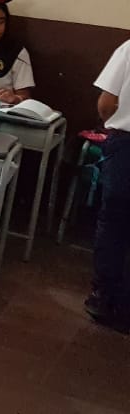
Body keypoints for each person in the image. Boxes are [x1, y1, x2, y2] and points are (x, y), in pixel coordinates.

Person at [88, 40, 130, 333]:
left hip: (125, 144)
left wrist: (112, 125)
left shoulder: (129, 48)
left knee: (115, 222)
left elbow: (106, 102)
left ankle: (105, 299)